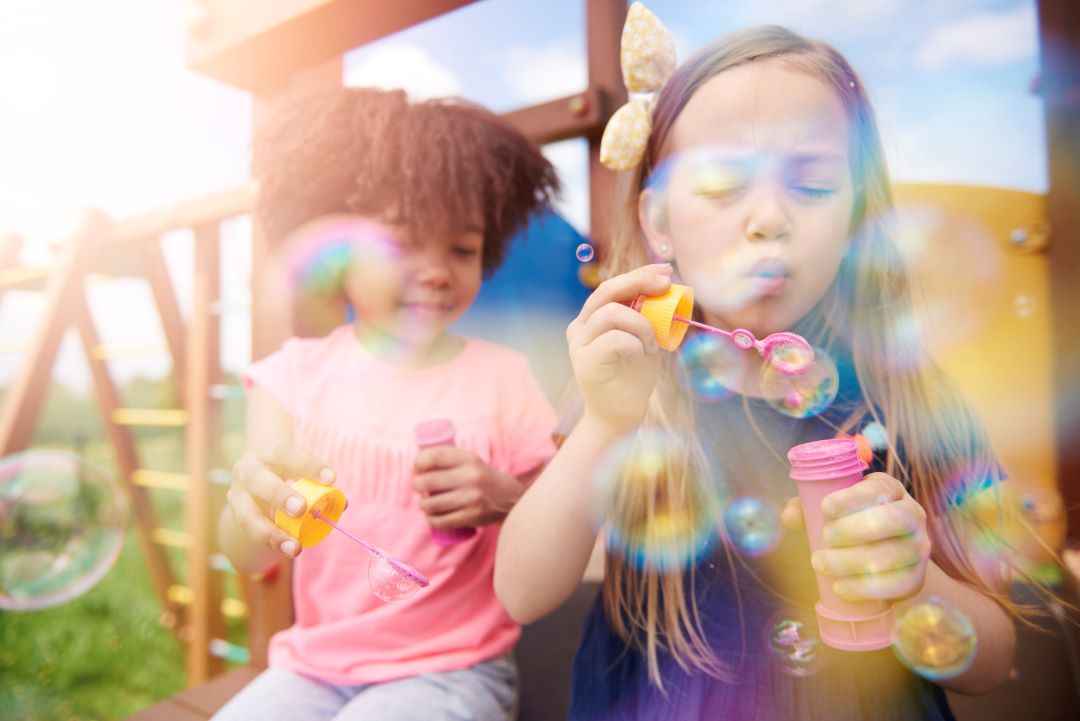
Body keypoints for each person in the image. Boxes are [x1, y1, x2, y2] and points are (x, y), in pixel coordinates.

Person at [495, 7, 1019, 720]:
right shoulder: (632, 384)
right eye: (720, 184)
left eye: (811, 183)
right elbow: (522, 591)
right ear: (659, 222)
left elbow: (993, 660)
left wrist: (913, 582)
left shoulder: (909, 395)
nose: (769, 217)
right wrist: (605, 423)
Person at [215, 87, 560, 721]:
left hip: (453, 669)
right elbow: (249, 554)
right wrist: (251, 510)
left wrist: (503, 495)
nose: (436, 271)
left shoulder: (503, 377)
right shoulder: (291, 377)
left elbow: (558, 510)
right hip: (310, 671)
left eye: (462, 248)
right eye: (401, 243)